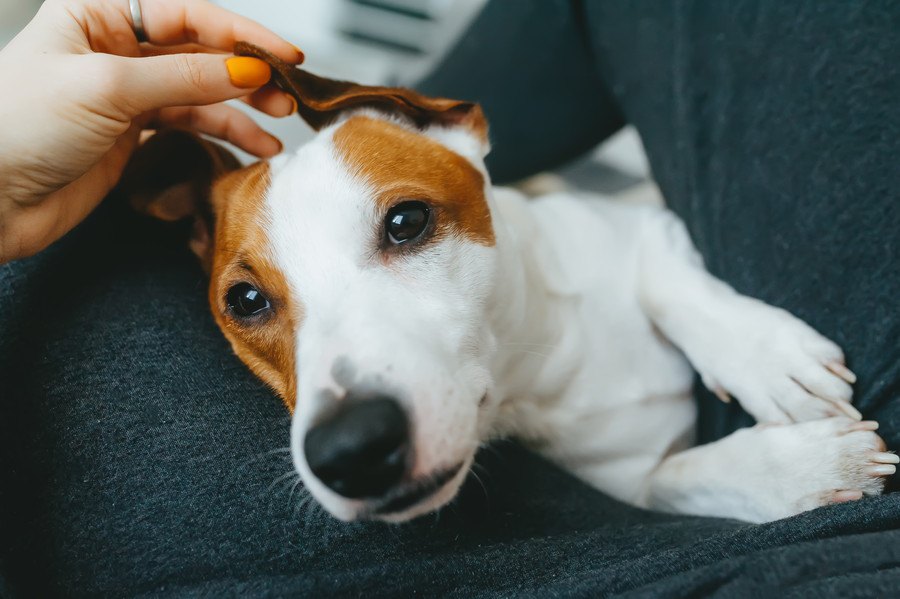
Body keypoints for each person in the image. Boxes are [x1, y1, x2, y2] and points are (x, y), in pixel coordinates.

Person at [1, 0, 898, 596]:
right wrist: (712, 483)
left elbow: (646, 243)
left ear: (458, 138)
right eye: (251, 300)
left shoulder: (539, 224)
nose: (340, 419)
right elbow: (635, 497)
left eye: (401, 229)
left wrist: (708, 315)